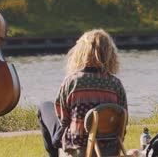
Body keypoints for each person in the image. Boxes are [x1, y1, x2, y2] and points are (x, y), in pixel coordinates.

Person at [37, 29, 128, 157]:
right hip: (109, 149)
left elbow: (63, 118)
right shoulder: (116, 84)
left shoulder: (72, 82)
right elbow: (123, 121)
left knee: (45, 106)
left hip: (78, 148)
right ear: (110, 54)